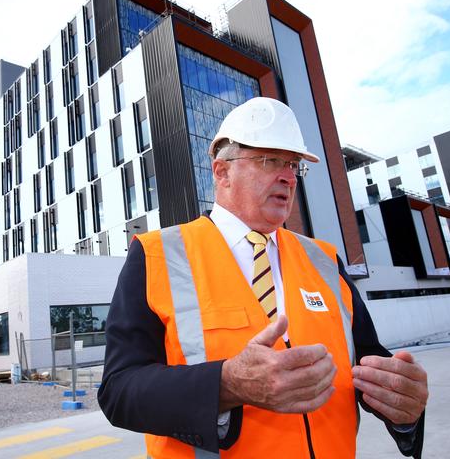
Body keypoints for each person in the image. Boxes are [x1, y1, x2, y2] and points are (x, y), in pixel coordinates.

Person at [98, 97, 428, 458]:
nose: (288, 175)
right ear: (222, 172)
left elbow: (368, 365)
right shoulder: (158, 254)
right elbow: (119, 391)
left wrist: (401, 405)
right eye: (270, 160)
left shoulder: (324, 260)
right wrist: (226, 385)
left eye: (293, 164)